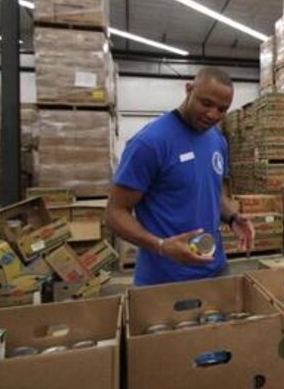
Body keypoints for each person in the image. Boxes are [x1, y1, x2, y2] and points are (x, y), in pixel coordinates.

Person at [106, 67, 255, 286]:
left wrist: (232, 217)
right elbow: (114, 213)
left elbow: (212, 193)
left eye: (222, 109)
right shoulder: (150, 143)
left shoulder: (217, 140)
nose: (213, 114)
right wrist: (161, 245)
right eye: (206, 103)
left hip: (215, 269)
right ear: (188, 90)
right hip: (165, 280)